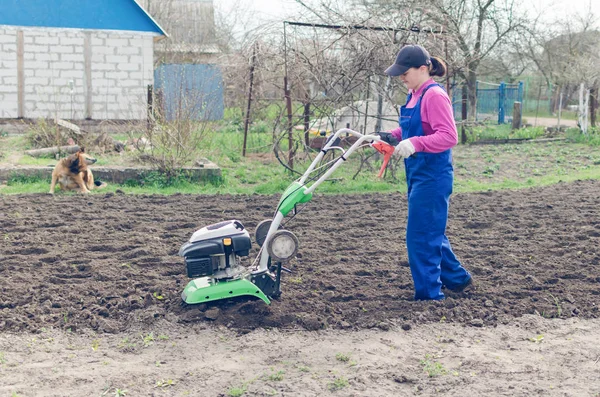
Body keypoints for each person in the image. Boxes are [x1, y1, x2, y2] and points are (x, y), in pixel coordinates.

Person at [380, 44, 472, 300]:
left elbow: (448, 136)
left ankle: (430, 294)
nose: (401, 76)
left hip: (433, 175)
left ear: (423, 69)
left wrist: (415, 144)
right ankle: (457, 279)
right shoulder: (413, 94)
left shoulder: (434, 95)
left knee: (421, 236)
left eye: (404, 71)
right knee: (430, 229)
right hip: (418, 173)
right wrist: (391, 137)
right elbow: (412, 130)